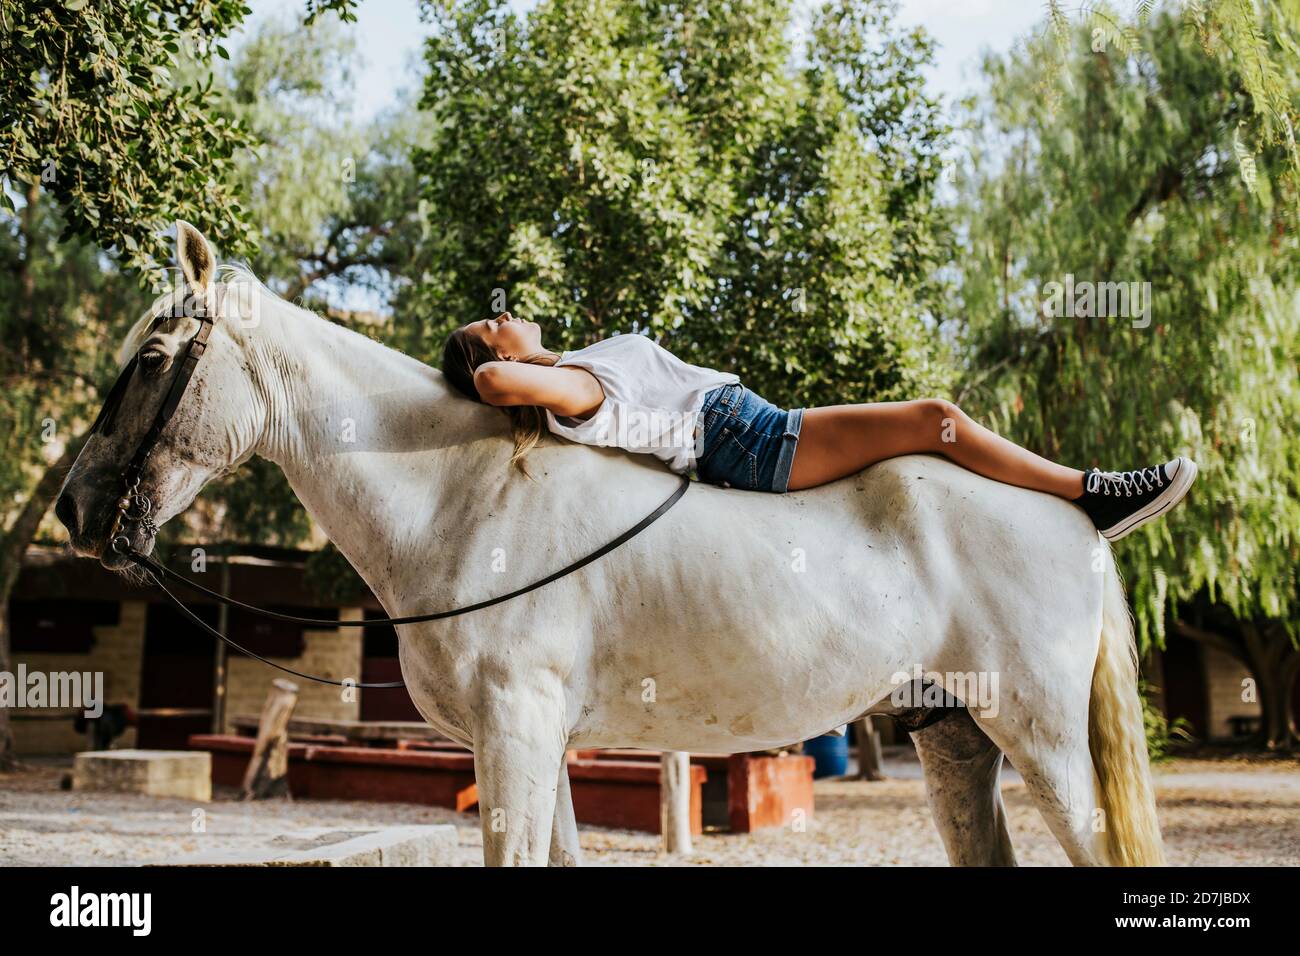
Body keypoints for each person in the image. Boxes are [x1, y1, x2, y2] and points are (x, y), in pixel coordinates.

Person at [442, 314, 1196, 541]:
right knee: (938, 420)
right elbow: (493, 381)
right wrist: (487, 368)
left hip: (746, 427)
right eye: (493, 323)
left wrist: (511, 360)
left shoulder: (572, 367)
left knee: (936, 427)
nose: (508, 314)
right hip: (743, 437)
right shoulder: (567, 386)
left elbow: (503, 373)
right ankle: (1093, 493)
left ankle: (1081, 493)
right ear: (500, 353)